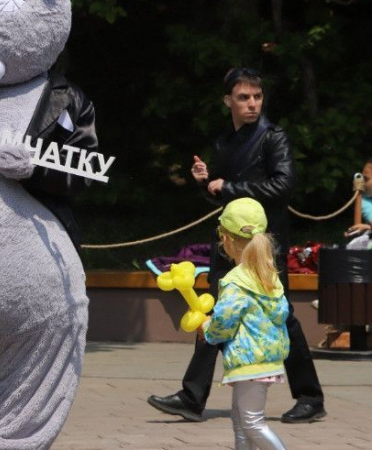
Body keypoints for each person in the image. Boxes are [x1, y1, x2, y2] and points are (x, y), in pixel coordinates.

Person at [148, 67, 326, 423]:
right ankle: (192, 396)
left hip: (264, 245)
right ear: (227, 100)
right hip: (228, 244)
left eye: (257, 97)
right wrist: (205, 183)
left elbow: (283, 187)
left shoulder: (274, 138)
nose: (252, 104)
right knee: (212, 310)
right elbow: (223, 197)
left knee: (283, 317)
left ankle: (310, 398)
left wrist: (225, 188)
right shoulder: (225, 141)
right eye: (244, 97)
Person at [202, 197, 289, 450]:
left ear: (226, 240)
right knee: (241, 421)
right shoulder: (267, 274)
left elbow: (223, 322)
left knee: (251, 423)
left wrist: (207, 329)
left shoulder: (235, 280)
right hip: (267, 359)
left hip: (248, 362)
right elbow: (281, 312)